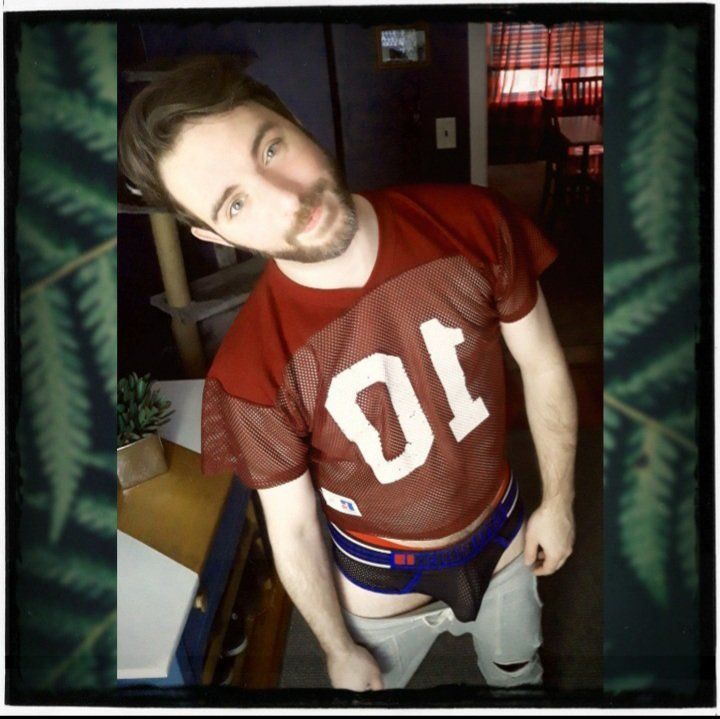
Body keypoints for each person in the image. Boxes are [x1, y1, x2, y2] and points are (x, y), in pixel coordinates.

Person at [119, 56, 576, 692]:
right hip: (380, 582)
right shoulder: (250, 368)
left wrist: (560, 502)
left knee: (518, 677)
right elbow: (292, 524)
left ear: (296, 123)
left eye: (271, 148)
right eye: (237, 202)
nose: (289, 198)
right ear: (213, 233)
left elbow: (543, 362)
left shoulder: (473, 222)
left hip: (505, 535)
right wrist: (335, 647)